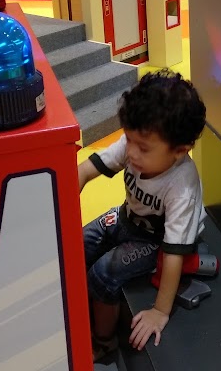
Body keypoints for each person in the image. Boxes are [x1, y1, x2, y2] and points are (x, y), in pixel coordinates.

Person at [78, 69, 207, 360]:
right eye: (129, 140)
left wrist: (160, 311)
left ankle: (104, 343)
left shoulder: (182, 186)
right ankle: (81, 311)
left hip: (157, 240)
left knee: (103, 275)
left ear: (179, 151)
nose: (131, 153)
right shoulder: (136, 141)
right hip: (128, 218)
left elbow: (173, 255)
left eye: (143, 148)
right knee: (78, 243)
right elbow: (85, 170)